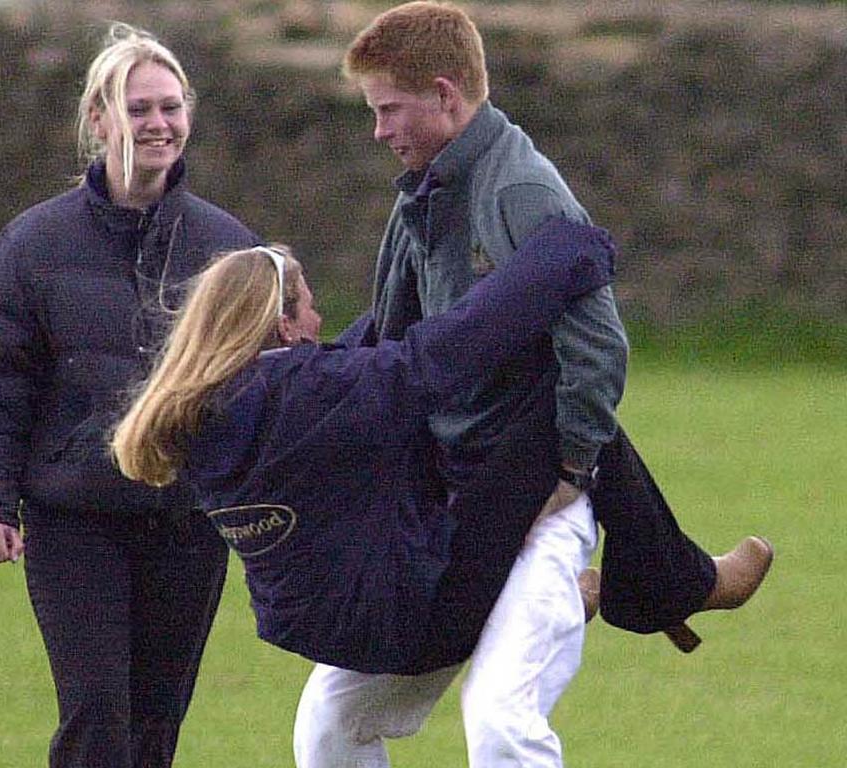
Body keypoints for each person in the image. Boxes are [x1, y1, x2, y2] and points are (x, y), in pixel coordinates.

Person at [297, 3, 773, 766]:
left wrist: (571, 470)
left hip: (544, 506)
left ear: (446, 95)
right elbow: (391, 337)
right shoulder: (421, 192)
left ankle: (617, 583)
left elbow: (598, 343)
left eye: (388, 109)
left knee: (500, 723)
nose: (379, 130)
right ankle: (651, 583)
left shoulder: (520, 188)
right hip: (451, 513)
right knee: (328, 720)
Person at [111, 218, 616, 757]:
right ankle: (661, 579)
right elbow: (443, 352)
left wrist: (418, 267)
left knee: (327, 727)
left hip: (335, 629)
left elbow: (351, 355)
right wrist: (570, 248)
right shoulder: (310, 397)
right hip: (409, 607)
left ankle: (642, 580)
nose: (320, 317)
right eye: (308, 307)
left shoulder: (200, 417)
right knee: (539, 409)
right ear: (284, 328)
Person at [0, 22, 259, 768]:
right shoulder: (34, 245)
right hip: (75, 522)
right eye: (138, 107)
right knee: (96, 717)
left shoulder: (227, 248)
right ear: (98, 119)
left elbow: (259, 385)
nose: (158, 124)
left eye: (171, 107)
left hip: (187, 525)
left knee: (155, 725)